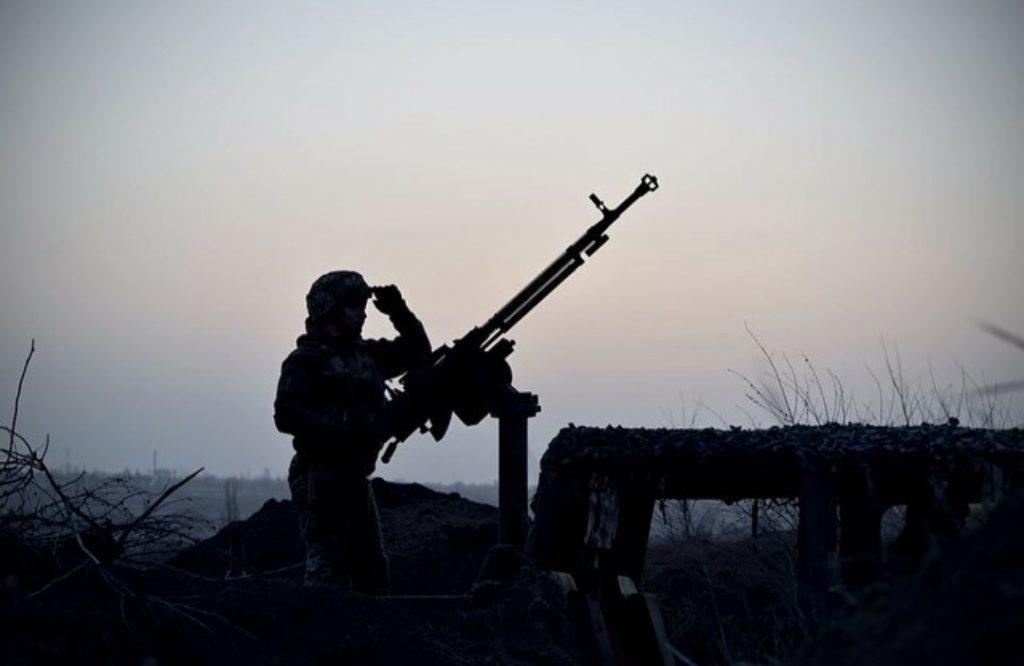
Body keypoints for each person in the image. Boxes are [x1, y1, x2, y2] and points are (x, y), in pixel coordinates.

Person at [274, 270, 431, 591]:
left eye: (363, 305)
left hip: (353, 474)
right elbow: (287, 415)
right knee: (328, 570)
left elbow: (418, 352)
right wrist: (348, 430)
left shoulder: (366, 356)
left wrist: (399, 311)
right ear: (329, 310)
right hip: (320, 474)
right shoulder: (306, 361)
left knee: (371, 568)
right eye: (353, 306)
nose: (363, 313)